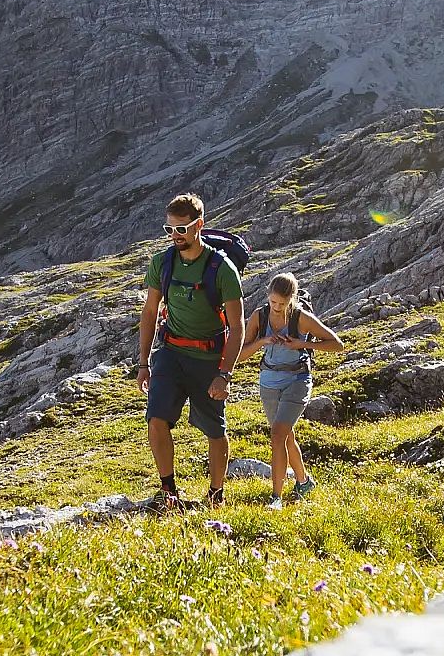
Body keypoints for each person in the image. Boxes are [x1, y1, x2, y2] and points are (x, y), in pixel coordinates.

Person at [135, 194, 242, 511]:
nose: (175, 236)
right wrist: (144, 363)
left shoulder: (222, 269)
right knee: (156, 418)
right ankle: (168, 492)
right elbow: (150, 311)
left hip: (209, 360)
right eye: (169, 229)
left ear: (199, 225)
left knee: (214, 429)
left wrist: (224, 375)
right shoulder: (162, 263)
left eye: (181, 229)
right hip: (170, 353)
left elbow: (237, 327)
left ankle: (216, 494)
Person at [236, 272, 344, 507]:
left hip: (297, 380)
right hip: (268, 382)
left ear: (292, 300)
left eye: (282, 304)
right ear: (268, 296)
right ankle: (304, 482)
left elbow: (337, 344)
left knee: (277, 435)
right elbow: (240, 355)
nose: (276, 307)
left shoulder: (301, 318)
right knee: (285, 435)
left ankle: (276, 498)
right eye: (273, 302)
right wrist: (262, 342)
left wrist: (301, 344)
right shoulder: (259, 316)